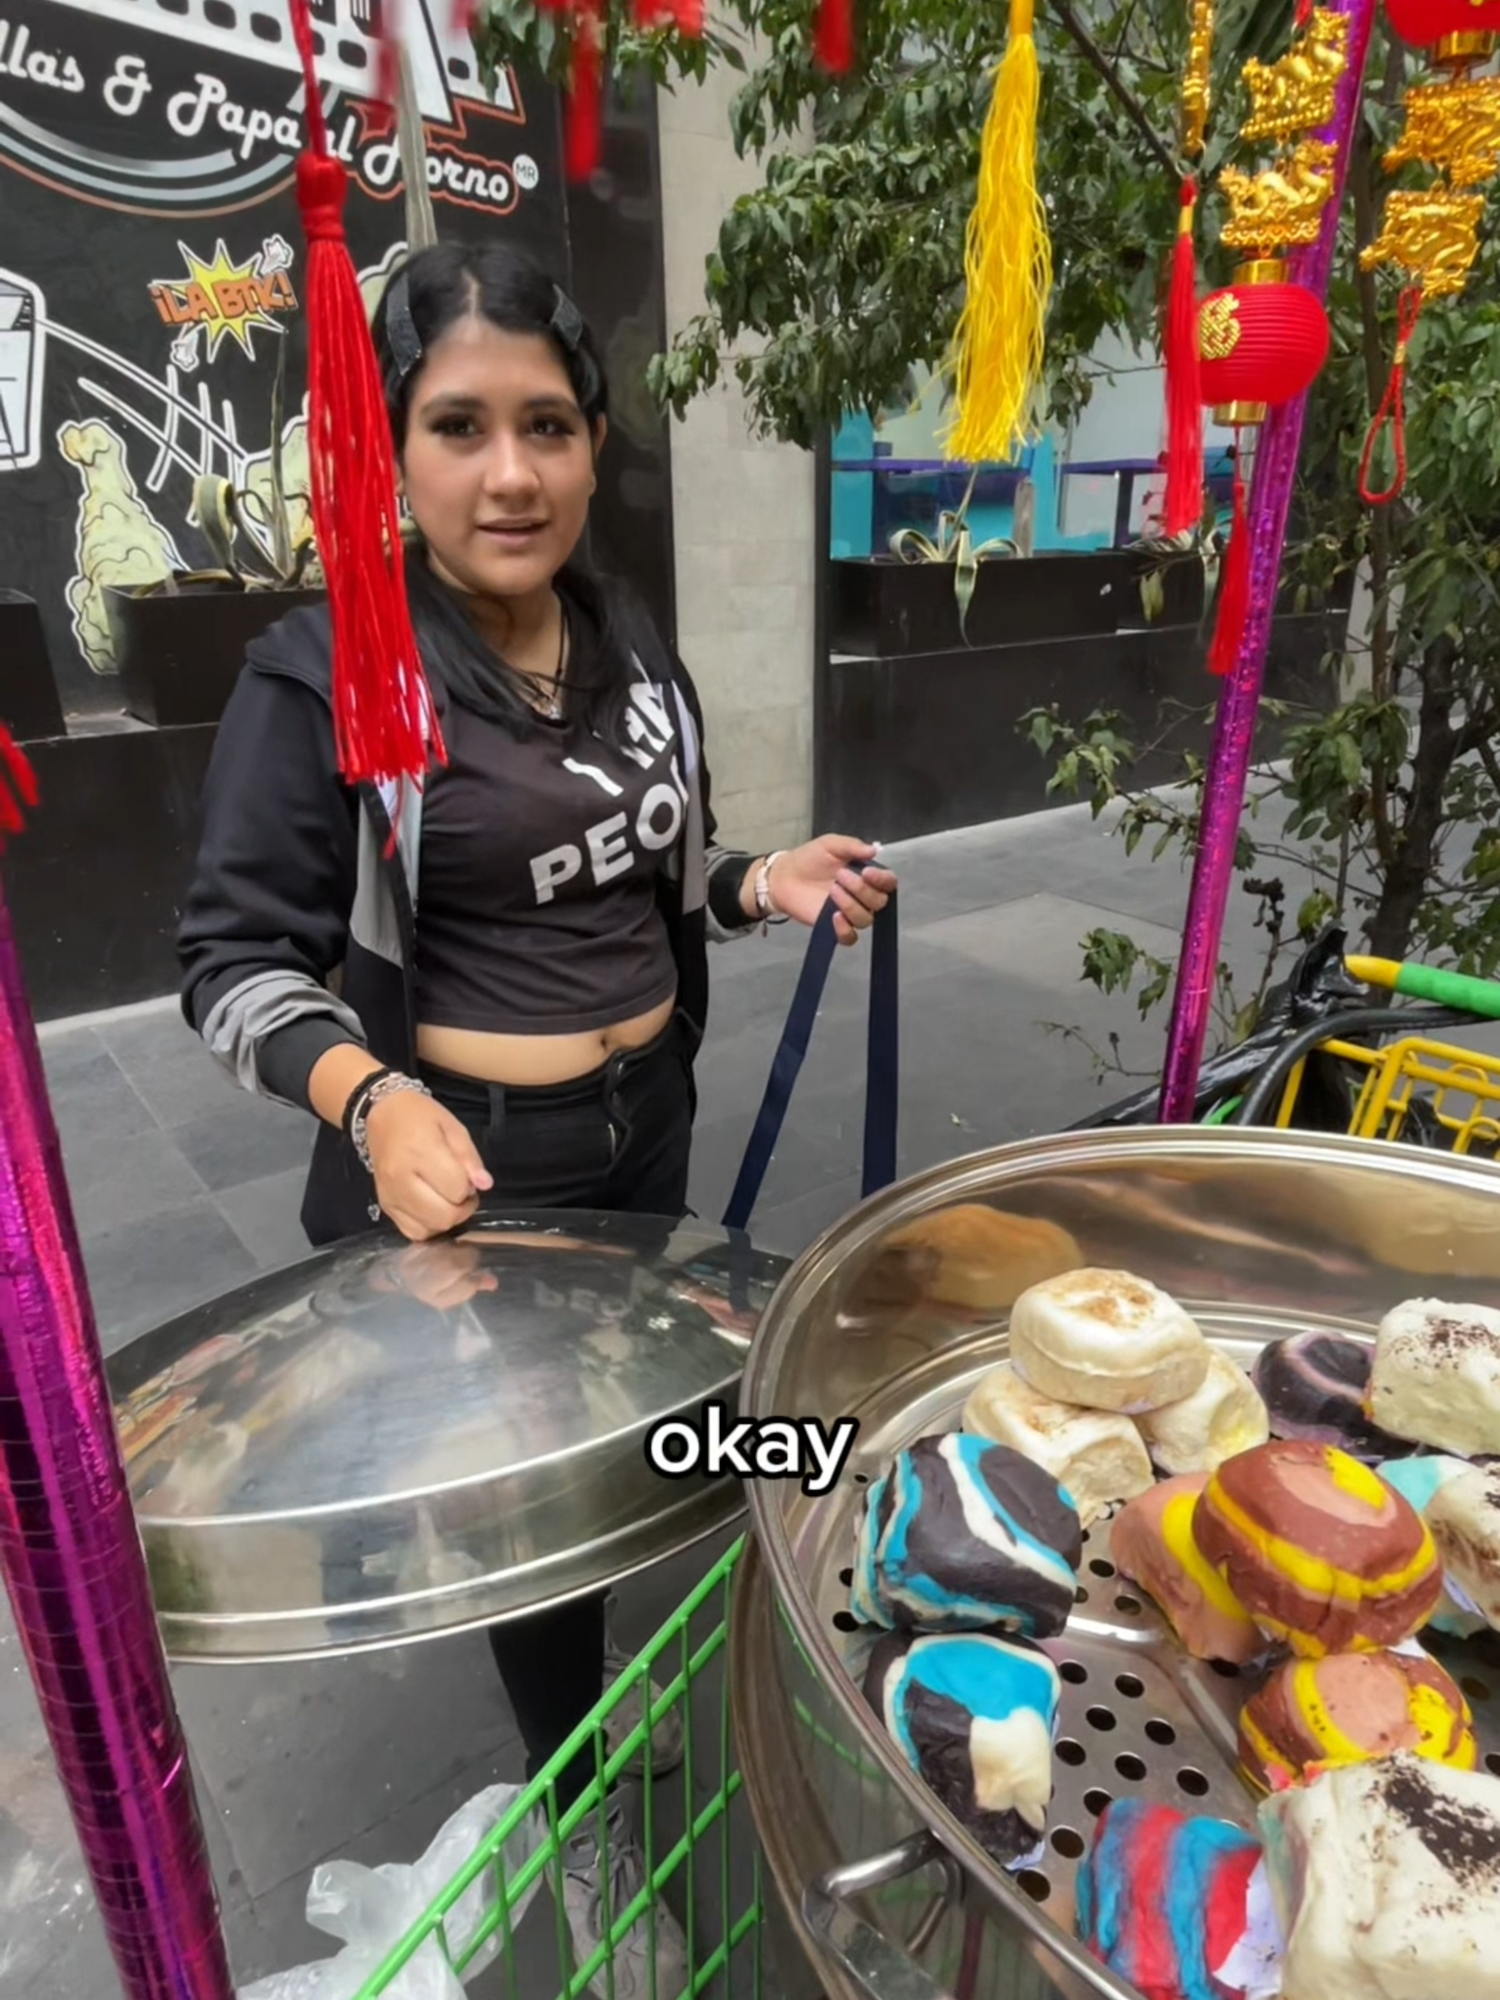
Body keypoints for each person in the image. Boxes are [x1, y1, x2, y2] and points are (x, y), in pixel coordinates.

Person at [177, 240, 895, 1997]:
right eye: (460, 426)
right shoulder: (324, 670)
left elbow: (645, 876)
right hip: (468, 1176)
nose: (513, 473)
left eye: (550, 425)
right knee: (526, 1520)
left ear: (592, 442)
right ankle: (578, 1803)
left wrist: (756, 883)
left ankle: (796, 1597)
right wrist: (368, 1094)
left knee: (690, 1409)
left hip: (647, 1125)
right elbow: (229, 967)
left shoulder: (624, 633)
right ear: (391, 452)